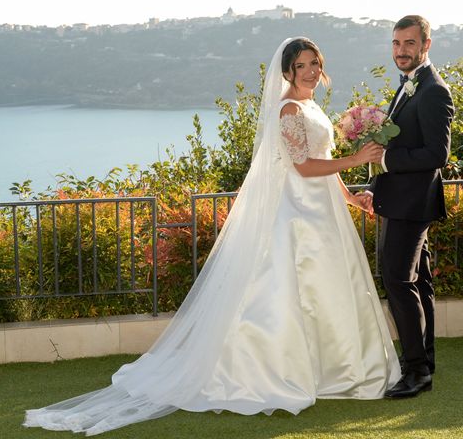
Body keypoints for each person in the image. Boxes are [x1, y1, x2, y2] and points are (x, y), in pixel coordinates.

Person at [23, 37, 401, 435]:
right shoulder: (288, 108)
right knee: (285, 293)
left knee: (328, 291)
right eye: (302, 65)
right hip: (295, 216)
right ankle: (273, 371)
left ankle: (334, 369)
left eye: (314, 63)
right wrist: (359, 158)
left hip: (323, 214)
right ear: (287, 71)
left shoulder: (311, 106)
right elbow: (304, 168)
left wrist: (350, 199)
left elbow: (326, 166)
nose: (310, 71)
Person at [363, 15, 454, 398]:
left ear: (426, 45)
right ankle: (424, 361)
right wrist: (375, 183)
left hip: (411, 206)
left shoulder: (433, 90)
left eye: (410, 44)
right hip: (398, 200)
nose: (401, 51)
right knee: (419, 282)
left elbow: (437, 154)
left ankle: (416, 371)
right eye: (397, 43)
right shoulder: (408, 86)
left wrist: (385, 162)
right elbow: (398, 141)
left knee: (398, 281)